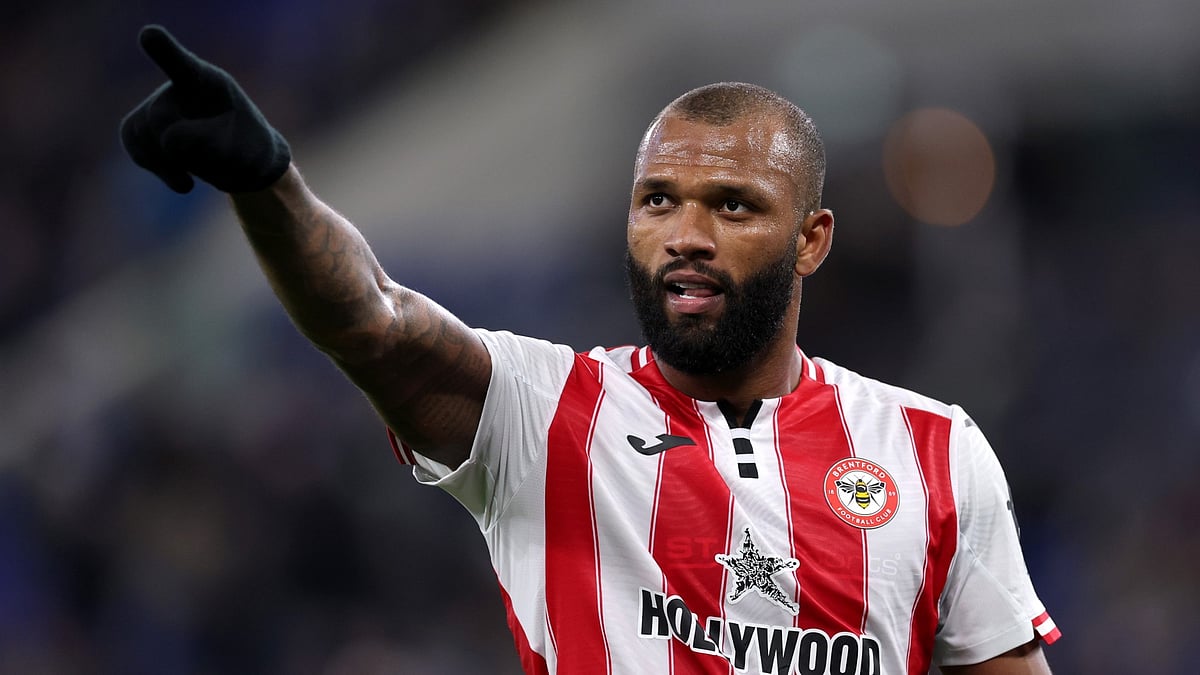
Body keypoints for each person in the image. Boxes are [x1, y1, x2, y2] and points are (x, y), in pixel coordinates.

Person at [120, 24, 1060, 675]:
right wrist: (267, 180)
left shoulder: (934, 449)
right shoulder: (545, 410)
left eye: (732, 205)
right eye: (658, 200)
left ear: (810, 239)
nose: (685, 233)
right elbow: (375, 319)